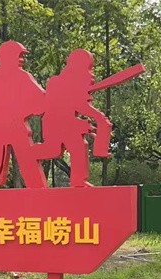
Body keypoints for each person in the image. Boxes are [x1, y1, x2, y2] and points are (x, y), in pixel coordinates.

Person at [0, 41, 47, 189]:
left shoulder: (22, 76)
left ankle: (38, 190)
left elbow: (42, 100)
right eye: (19, 55)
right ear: (7, 56)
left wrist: (23, 112)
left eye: (22, 56)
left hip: (14, 126)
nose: (22, 59)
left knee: (26, 158)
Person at [39, 49, 112, 187]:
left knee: (79, 146)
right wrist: (81, 123)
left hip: (67, 125)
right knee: (53, 150)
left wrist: (97, 116)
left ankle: (79, 181)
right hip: (54, 125)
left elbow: (80, 104)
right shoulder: (57, 82)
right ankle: (30, 154)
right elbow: (67, 108)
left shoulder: (79, 81)